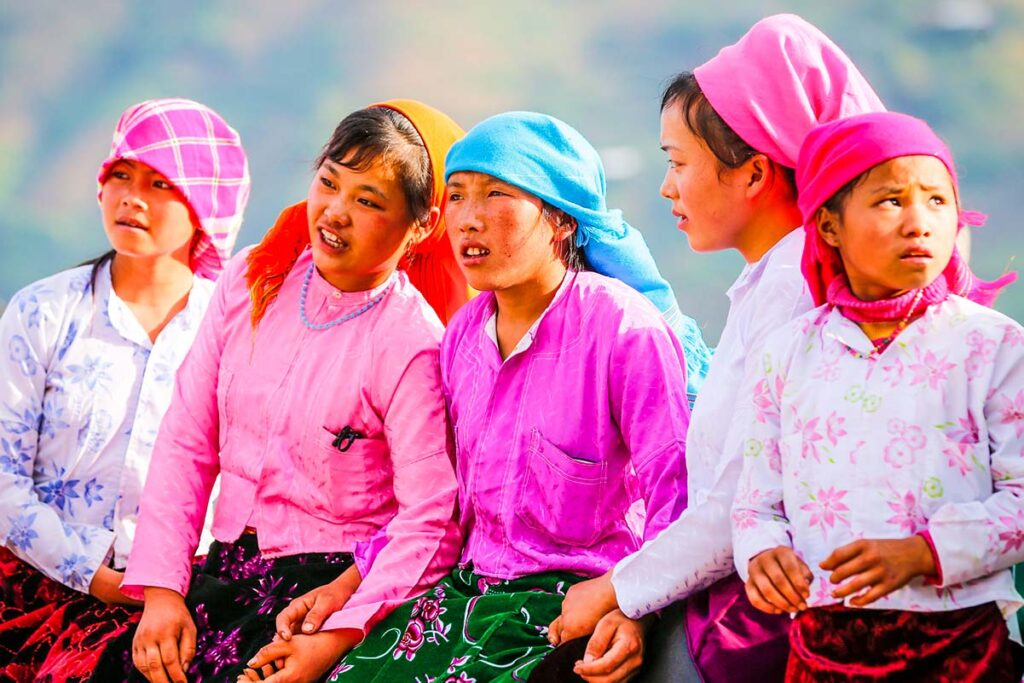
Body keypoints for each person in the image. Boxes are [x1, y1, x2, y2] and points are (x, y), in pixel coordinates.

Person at [292, 111, 690, 683]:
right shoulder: (460, 338)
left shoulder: (626, 332)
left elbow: (673, 499)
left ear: (560, 221)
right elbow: (440, 505)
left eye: (496, 195)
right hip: (466, 597)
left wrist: (634, 610)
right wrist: (343, 589)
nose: (469, 220)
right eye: (456, 196)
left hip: (574, 603)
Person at [551, 14, 887, 682]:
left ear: (754, 173)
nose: (666, 187)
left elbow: (742, 494)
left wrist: (618, 589)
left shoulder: (801, 288)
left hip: (782, 610)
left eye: (678, 163)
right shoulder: (774, 275)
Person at [91, 100, 466, 683]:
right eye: (329, 183)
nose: (335, 213)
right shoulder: (252, 281)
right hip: (221, 571)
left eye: (368, 201)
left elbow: (431, 519)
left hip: (327, 594)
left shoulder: (411, 344)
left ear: (421, 224)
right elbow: (188, 440)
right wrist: (163, 591)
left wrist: (340, 632)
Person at [732, 110, 1021, 681]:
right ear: (829, 226)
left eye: (938, 201)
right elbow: (755, 502)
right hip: (821, 649)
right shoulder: (789, 352)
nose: (920, 222)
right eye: (891, 201)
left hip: (961, 645)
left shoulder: (992, 345)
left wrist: (923, 553)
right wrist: (762, 554)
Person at [0, 98, 250, 682]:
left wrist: (164, 584)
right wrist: (91, 571)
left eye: (160, 182)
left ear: (205, 205)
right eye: (121, 174)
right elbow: (1, 476)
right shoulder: (43, 310)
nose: (131, 196)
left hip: (185, 597)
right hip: (33, 587)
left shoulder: (239, 330)